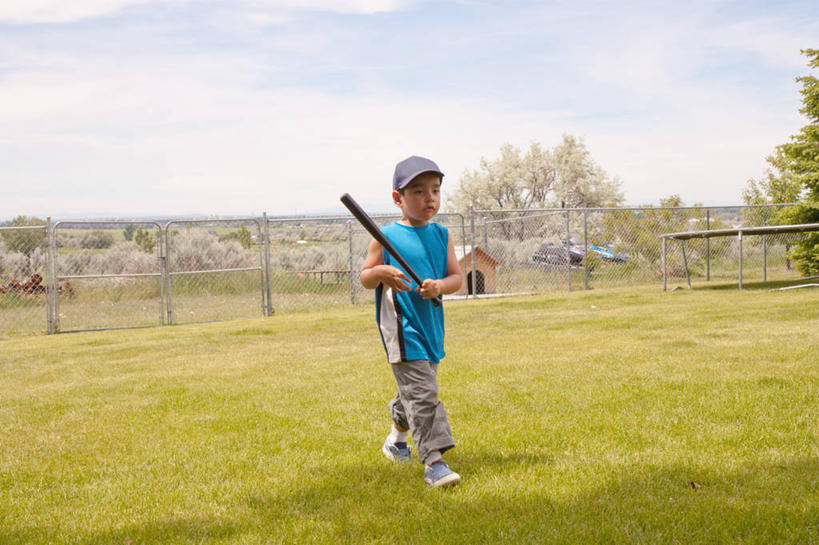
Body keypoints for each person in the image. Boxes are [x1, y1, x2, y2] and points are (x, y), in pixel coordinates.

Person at [360, 155, 464, 488]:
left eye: (434, 190)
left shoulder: (442, 235)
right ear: (398, 198)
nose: (429, 198)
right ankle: (434, 461)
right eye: (418, 191)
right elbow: (365, 277)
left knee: (415, 392)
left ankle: (395, 441)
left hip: (431, 326)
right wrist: (380, 272)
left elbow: (456, 277)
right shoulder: (384, 236)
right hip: (402, 330)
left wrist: (439, 286)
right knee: (423, 393)